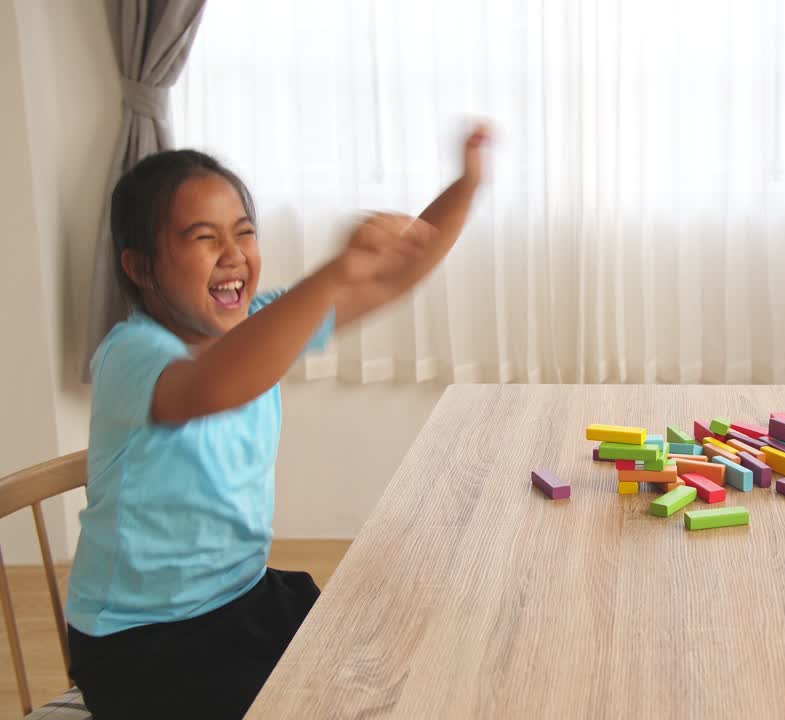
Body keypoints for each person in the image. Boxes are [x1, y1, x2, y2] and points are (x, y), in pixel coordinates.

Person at [66, 125, 490, 720]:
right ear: (140, 267)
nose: (233, 253)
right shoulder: (133, 354)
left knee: (381, 667)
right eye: (203, 238)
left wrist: (466, 185)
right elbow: (213, 385)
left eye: (244, 232)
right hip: (142, 639)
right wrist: (333, 273)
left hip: (242, 595)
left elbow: (394, 274)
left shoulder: (262, 323)